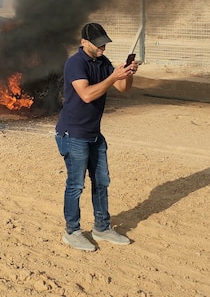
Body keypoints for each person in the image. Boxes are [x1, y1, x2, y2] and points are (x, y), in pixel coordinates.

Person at [55, 22, 138, 251]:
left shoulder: (103, 62)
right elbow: (87, 95)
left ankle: (102, 227)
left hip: (94, 134)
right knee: (75, 185)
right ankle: (72, 232)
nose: (103, 47)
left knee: (101, 182)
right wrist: (113, 77)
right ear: (84, 43)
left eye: (105, 42)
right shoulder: (75, 63)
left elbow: (123, 88)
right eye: (99, 43)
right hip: (73, 134)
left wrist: (127, 73)